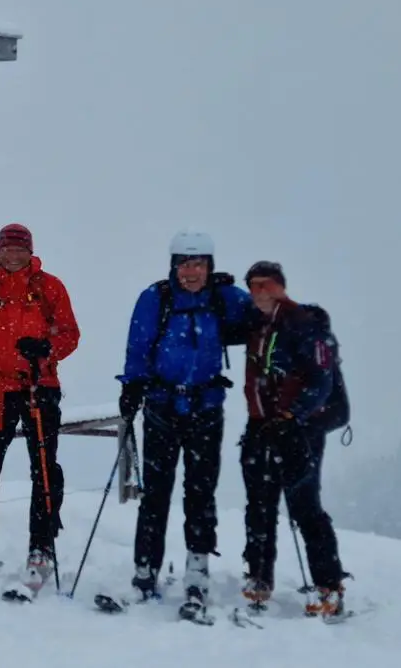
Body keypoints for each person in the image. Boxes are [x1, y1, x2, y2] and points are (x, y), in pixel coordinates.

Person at [115, 230, 254, 611]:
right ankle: (144, 572)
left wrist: (302, 320)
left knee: (200, 493)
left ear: (210, 266)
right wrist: (132, 386)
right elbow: (138, 344)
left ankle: (197, 570)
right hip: (161, 407)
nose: (191, 272)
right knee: (155, 495)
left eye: (198, 264)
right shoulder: (155, 298)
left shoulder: (224, 298)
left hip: (206, 408)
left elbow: (263, 315)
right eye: (184, 264)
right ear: (173, 265)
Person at [0, 223, 81, 597]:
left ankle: (41, 548)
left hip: (40, 386)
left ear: (29, 250)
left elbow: (69, 332)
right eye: (7, 249)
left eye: (19, 249)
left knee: (43, 468)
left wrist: (45, 349)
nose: (13, 255)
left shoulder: (48, 286)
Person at [238, 259, 349, 618]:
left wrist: (293, 416)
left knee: (305, 506)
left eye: (267, 284)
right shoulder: (255, 324)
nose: (260, 292)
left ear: (282, 286)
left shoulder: (304, 324)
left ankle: (329, 585)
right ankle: (258, 575)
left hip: (299, 430)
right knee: (259, 504)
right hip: (260, 426)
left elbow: (322, 381)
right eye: (253, 285)